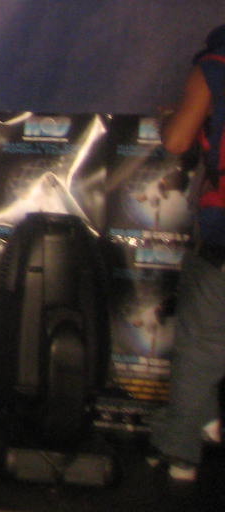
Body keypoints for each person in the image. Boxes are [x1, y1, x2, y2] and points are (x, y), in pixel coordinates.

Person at [148, 24, 225, 483]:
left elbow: (177, 140)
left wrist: (169, 119)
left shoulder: (214, 66)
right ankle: (207, 420)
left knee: (201, 344)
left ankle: (178, 451)